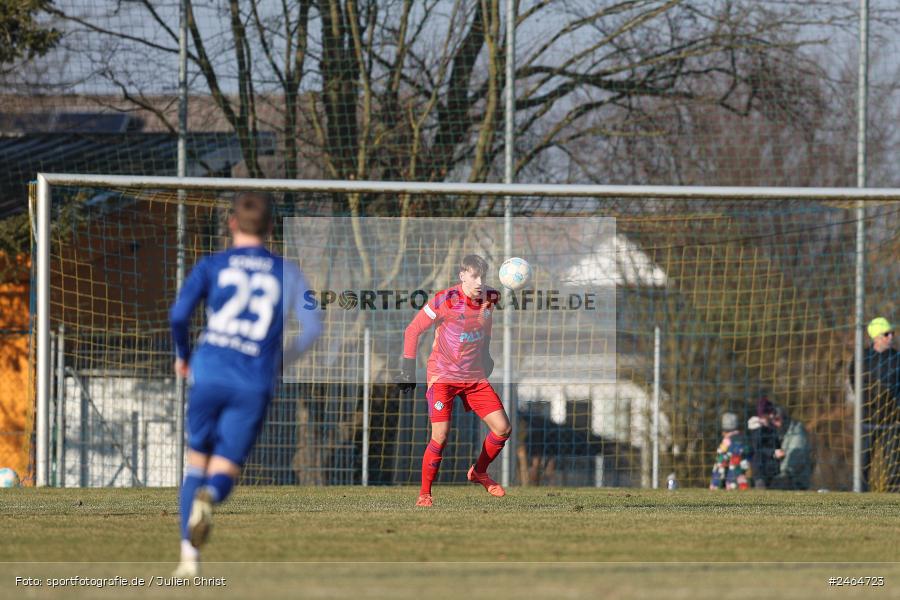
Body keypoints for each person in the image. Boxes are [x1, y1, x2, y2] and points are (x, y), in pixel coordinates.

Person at [168, 191, 322, 576]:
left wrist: (183, 355)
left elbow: (178, 315)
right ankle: (211, 497)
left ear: (232, 224)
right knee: (225, 468)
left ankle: (189, 558)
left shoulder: (212, 265)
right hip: (253, 382)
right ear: (271, 228)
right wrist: (281, 363)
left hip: (210, 371)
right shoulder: (287, 272)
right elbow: (314, 327)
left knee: (195, 464)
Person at [397, 254, 510, 507]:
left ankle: (479, 472)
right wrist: (407, 367)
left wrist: (486, 352)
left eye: (483, 276)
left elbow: (486, 326)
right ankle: (425, 493)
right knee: (441, 435)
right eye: (474, 276)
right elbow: (412, 330)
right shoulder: (443, 299)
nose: (479, 282)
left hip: (474, 377)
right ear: (462, 276)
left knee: (503, 428)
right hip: (443, 377)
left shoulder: (491, 297)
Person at [849, 317, 900, 491]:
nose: (891, 337)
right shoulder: (862, 357)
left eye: (892, 333)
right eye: (886, 334)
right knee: (863, 461)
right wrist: (864, 400)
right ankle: (861, 493)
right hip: (867, 418)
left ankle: (894, 495)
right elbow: (853, 379)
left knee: (894, 464)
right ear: (876, 337)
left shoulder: (897, 357)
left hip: (891, 420)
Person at [769, 405, 812, 490]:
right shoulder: (776, 433)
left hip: (796, 480)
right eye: (771, 420)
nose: (774, 423)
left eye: (777, 419)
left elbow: (795, 458)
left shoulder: (797, 432)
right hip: (782, 476)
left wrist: (783, 475)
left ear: (784, 418)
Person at [747, 396, 784, 489]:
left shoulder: (771, 428)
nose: (772, 415)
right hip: (760, 471)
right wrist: (773, 453)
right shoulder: (757, 429)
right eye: (770, 412)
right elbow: (757, 448)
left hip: (772, 470)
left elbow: (775, 444)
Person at [710, 412, 752, 491]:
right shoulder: (743, 438)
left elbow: (720, 457)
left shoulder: (727, 441)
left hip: (732, 470)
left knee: (721, 464)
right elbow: (748, 451)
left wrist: (714, 483)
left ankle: (716, 485)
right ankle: (742, 485)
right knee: (740, 471)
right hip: (743, 465)